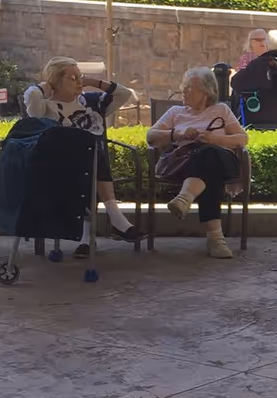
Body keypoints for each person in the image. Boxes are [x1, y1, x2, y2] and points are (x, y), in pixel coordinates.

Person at [22, 57, 140, 256]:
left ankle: (87, 240)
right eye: (72, 78)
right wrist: (45, 87)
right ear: (56, 82)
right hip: (59, 170)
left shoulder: (92, 102)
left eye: (80, 77)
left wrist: (94, 82)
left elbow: (124, 93)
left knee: (91, 151)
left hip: (91, 167)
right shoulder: (45, 108)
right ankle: (115, 220)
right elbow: (31, 97)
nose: (79, 82)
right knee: (90, 148)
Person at [147, 66, 248, 260]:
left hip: (222, 160)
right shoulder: (176, 112)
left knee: (210, 154)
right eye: (183, 87)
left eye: (189, 88)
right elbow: (151, 136)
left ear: (206, 91)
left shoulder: (221, 110)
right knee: (210, 171)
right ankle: (216, 240)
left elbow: (242, 139)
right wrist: (178, 134)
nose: (184, 91)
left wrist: (214, 139)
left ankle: (184, 198)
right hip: (185, 164)